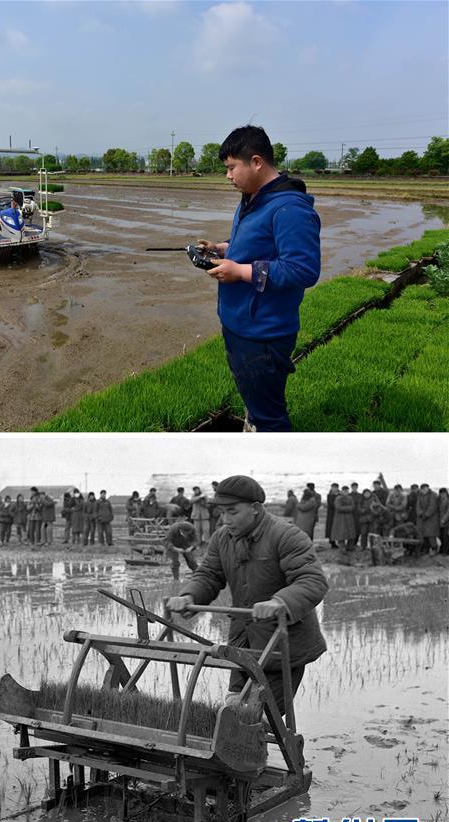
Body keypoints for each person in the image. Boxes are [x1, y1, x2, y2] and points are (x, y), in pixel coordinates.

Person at [166, 475, 328, 716]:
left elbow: (312, 580)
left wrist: (279, 602)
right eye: (222, 512)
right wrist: (190, 595)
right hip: (242, 641)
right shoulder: (222, 538)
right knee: (232, 708)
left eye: (232, 512)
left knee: (258, 716)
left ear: (255, 508)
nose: (225, 519)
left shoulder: (286, 536)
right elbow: (209, 575)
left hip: (281, 644)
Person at [196, 125, 320, 432]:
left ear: (256, 162)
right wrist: (222, 248)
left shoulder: (289, 208)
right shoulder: (253, 197)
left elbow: (303, 269)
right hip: (241, 324)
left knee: (270, 416)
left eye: (230, 168)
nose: (228, 176)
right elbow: (258, 244)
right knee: (257, 403)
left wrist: (239, 271)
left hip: (263, 334)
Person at [164, 515, 198, 580]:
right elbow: (167, 541)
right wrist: (175, 549)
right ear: (180, 530)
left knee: (192, 560)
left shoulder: (192, 528)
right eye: (184, 533)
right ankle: (176, 579)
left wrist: (191, 547)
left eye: (187, 534)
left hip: (186, 544)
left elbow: (195, 540)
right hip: (173, 545)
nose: (186, 535)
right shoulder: (173, 529)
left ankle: (197, 575)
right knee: (175, 562)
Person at [416, 484, 440, 554]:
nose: (424, 490)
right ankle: (426, 549)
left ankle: (434, 549)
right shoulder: (420, 495)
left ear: (428, 488)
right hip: (421, 519)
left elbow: (432, 506)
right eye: (422, 489)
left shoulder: (433, 495)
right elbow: (418, 505)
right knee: (423, 535)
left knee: (431, 535)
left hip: (431, 519)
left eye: (425, 488)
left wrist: (427, 515)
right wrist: (420, 513)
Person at [331, 486, 356, 551]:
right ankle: (342, 547)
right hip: (340, 519)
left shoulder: (350, 498)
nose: (346, 492)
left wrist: (346, 508)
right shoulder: (338, 498)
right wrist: (348, 508)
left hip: (349, 518)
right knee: (341, 534)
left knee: (350, 533)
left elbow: (353, 507)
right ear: (342, 491)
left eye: (347, 491)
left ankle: (350, 546)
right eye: (344, 491)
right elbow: (338, 508)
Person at [325, 483, 340, 548]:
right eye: (333, 487)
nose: (334, 489)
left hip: (338, 513)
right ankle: (332, 542)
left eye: (335, 487)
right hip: (331, 514)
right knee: (331, 527)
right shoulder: (329, 495)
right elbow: (331, 504)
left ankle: (337, 541)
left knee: (337, 527)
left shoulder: (339, 494)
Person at [438, 487, 449, 555]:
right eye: (441, 493)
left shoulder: (448, 500)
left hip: (447, 522)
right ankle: (442, 549)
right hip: (439, 521)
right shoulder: (439, 501)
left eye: (444, 493)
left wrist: (444, 519)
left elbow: (448, 511)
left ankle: (446, 551)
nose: (442, 495)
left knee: (446, 537)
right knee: (441, 536)